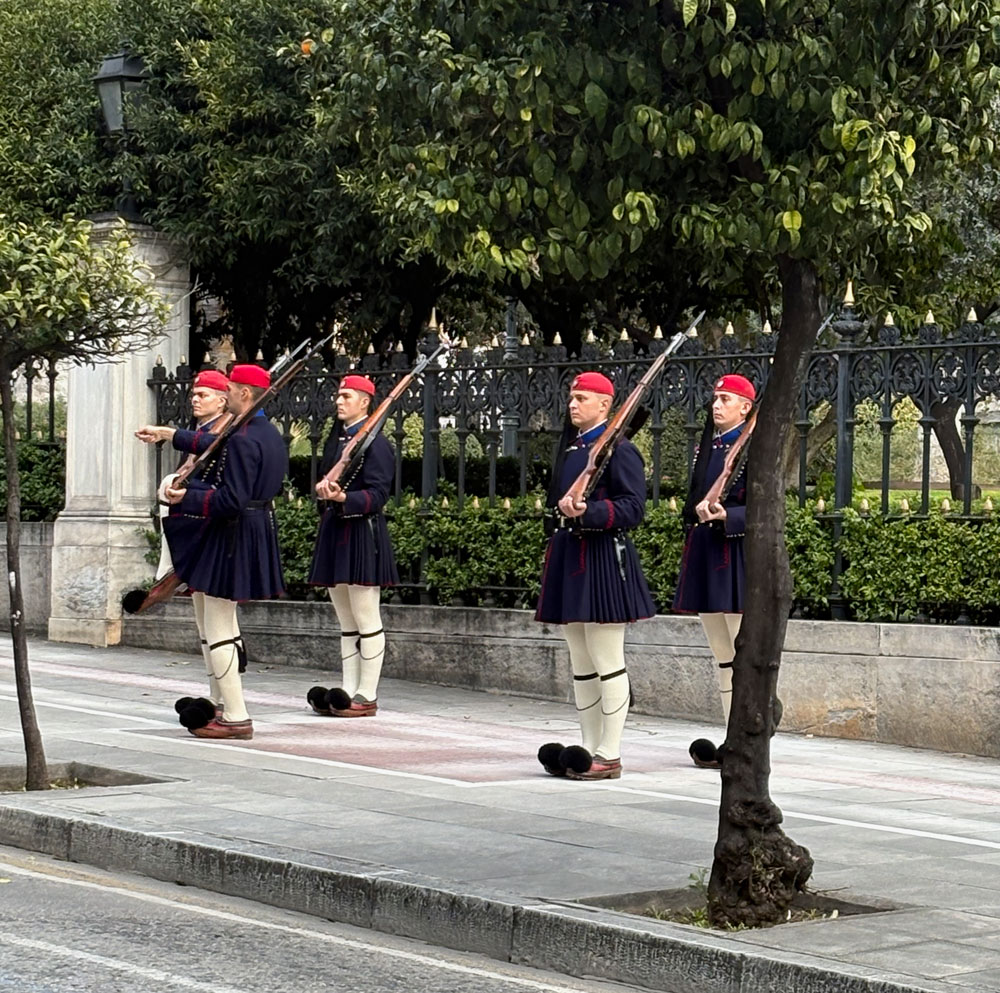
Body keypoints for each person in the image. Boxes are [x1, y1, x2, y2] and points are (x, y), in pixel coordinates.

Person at [135, 363, 288, 741]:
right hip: (252, 528)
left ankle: (235, 716)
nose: (226, 392)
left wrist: (189, 496)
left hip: (232, 533)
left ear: (245, 395)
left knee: (219, 628)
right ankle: (222, 701)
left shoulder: (243, 437)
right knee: (220, 625)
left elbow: (230, 499)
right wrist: (171, 435)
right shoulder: (265, 432)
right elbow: (212, 444)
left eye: (231, 388)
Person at [535, 371, 655, 781]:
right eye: (572, 397)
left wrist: (591, 512)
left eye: (583, 398)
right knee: (581, 662)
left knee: (607, 660)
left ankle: (610, 751)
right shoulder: (573, 450)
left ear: (605, 405)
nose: (573, 404)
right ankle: (586, 747)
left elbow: (633, 508)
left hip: (603, 556)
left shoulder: (619, 450)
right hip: (571, 556)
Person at [151, 369, 249, 721]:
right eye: (194, 393)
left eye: (203, 394)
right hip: (194, 531)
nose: (195, 398)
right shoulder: (204, 434)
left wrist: (168, 435)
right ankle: (217, 693)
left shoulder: (224, 433)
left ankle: (229, 699)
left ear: (223, 400)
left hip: (213, 531)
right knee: (204, 624)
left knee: (220, 623)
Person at [672, 373, 755, 769]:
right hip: (707, 549)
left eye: (726, 399)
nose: (717, 405)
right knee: (722, 656)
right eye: (715, 398)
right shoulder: (710, 446)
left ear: (746, 407)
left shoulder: (754, 447)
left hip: (734, 553)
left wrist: (730, 515)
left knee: (741, 654)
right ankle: (731, 737)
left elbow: (767, 505)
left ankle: (747, 740)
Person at [305, 373, 398, 718]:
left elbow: (378, 494)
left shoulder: (376, 444)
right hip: (336, 526)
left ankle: (367, 693)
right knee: (345, 619)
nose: (339, 401)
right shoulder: (338, 440)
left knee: (366, 616)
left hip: (361, 530)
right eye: (339, 396)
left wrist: (345, 497)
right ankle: (347, 688)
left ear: (365, 402)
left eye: (347, 396)